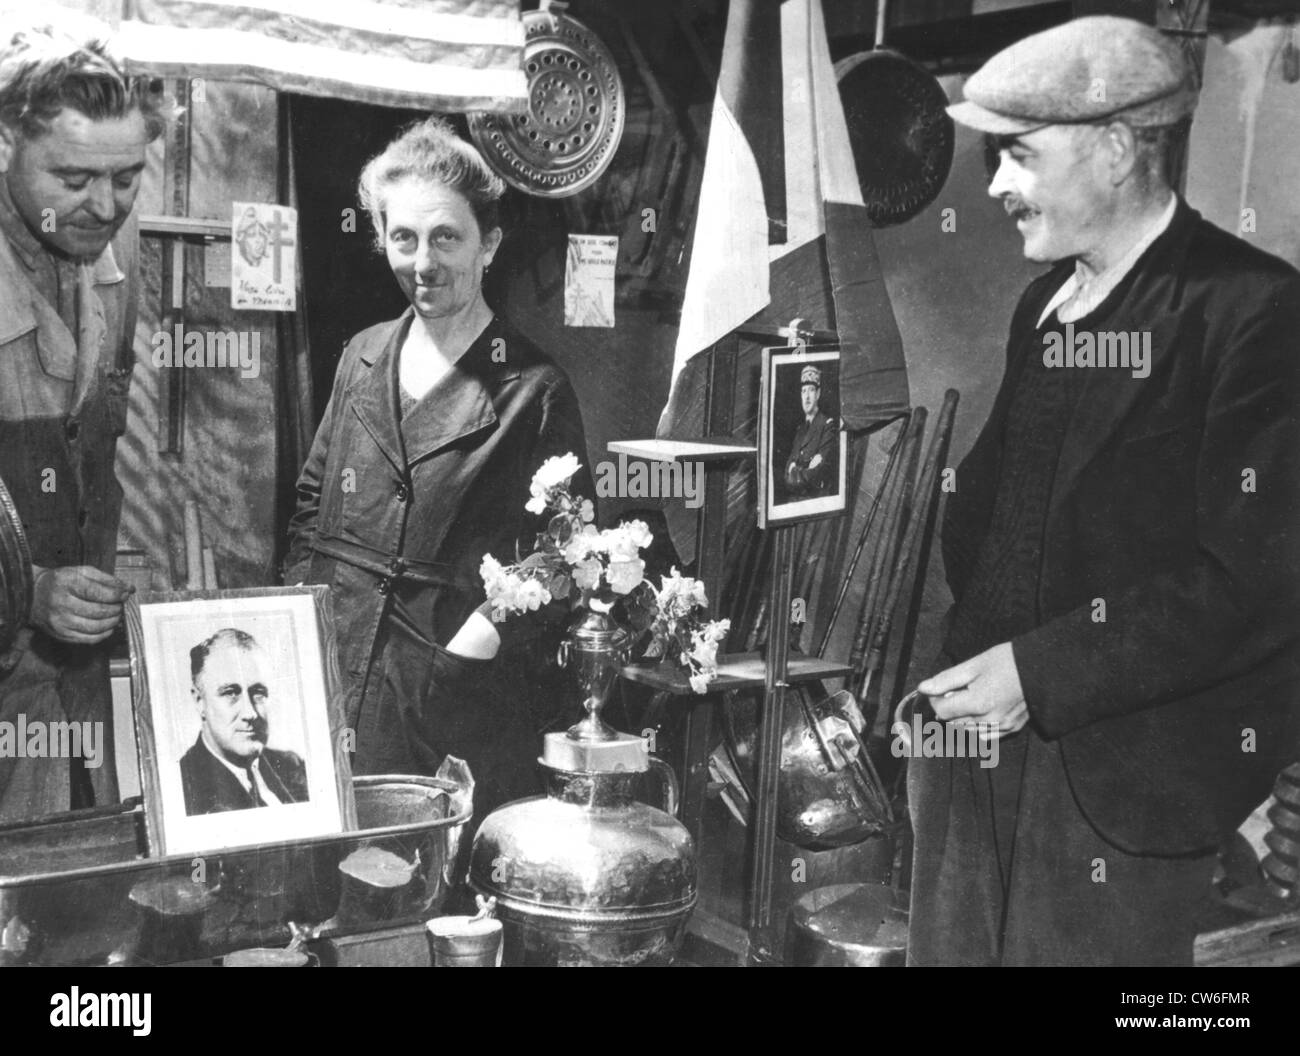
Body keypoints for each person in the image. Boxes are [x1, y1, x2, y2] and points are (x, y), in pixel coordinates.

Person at [906, 15, 1300, 966]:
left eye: (1020, 156)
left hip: (1124, 793)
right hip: (978, 754)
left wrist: (1035, 675)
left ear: (1120, 149)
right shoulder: (1045, 303)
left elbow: (1254, 585)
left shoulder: (1251, 310)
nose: (996, 185)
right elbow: (997, 514)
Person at [284, 118, 592, 821]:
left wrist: (472, 644)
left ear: (490, 245)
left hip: (447, 697)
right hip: (335, 666)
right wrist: (302, 626)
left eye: (446, 237)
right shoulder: (361, 353)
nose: (423, 262)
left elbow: (564, 558)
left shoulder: (532, 389)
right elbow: (310, 504)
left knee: (425, 893)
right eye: (403, 238)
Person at [0, 16, 165, 821]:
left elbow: (95, 454)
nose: (105, 206)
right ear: (3, 142)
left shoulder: (117, 263)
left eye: (127, 177)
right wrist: (22, 592)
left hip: (75, 697)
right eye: (72, 178)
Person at [180, 628, 307, 816]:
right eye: (231, 693)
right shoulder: (183, 785)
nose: (250, 713)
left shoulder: (291, 766)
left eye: (258, 693)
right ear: (200, 702)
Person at [781, 365, 837, 500]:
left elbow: (816, 474)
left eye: (811, 390)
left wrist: (794, 470)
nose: (806, 397)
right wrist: (803, 469)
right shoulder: (800, 430)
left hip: (814, 501)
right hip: (794, 500)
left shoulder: (827, 425)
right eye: (803, 391)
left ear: (818, 394)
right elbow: (786, 476)